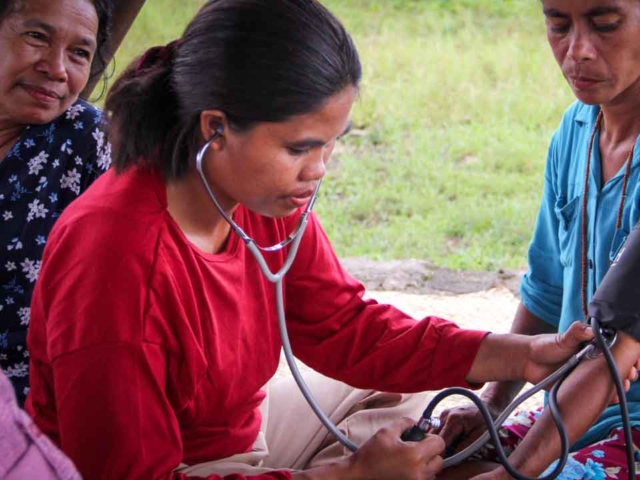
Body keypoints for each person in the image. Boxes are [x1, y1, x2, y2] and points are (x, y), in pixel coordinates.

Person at [25, 1, 599, 479]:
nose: (319, 170)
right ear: (215, 129)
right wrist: (347, 478)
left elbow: (340, 325)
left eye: (330, 144)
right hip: (170, 466)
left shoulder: (253, 194)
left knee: (416, 411)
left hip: (242, 430)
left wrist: (512, 354)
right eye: (300, 148)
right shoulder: (115, 261)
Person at [433, 0, 640, 478]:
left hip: (629, 425)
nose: (578, 51)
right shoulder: (575, 130)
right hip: (565, 410)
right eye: (558, 25)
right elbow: (546, 288)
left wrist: (517, 471)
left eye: (605, 25)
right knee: (428, 457)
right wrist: (493, 403)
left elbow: (616, 352)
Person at [0, 0, 112, 406]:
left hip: (34, 399)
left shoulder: (87, 140)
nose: (57, 68)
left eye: (79, 53)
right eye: (37, 37)